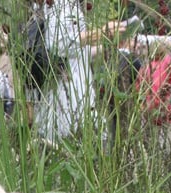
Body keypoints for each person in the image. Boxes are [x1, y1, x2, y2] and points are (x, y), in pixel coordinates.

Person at [31, 0, 127, 144]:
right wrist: (101, 33)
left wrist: (104, 49)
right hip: (67, 99)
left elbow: (74, 53)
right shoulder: (60, 3)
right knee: (78, 150)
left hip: (78, 92)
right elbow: (58, 44)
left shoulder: (69, 4)